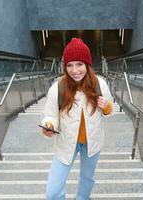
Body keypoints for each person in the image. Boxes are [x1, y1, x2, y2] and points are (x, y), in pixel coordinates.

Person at [41, 37, 114, 200]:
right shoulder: (57, 87)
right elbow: (50, 115)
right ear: (65, 66)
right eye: (69, 65)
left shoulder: (99, 84)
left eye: (79, 64)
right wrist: (49, 124)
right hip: (66, 142)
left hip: (92, 142)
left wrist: (106, 107)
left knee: (87, 179)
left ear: (87, 65)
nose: (75, 70)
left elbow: (109, 109)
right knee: (52, 191)